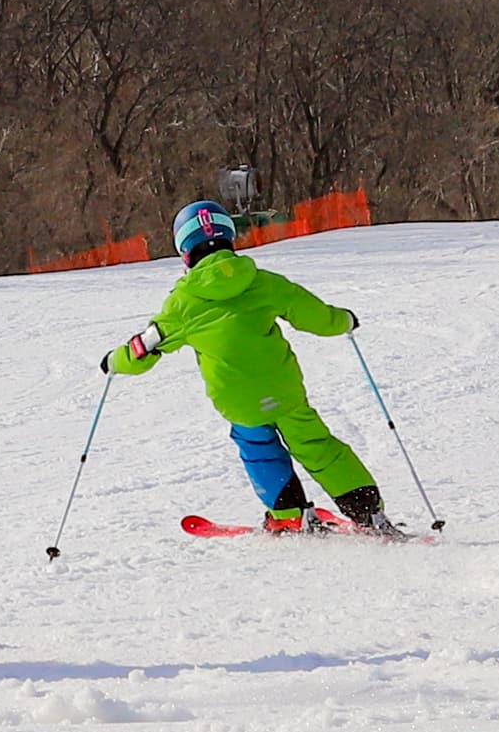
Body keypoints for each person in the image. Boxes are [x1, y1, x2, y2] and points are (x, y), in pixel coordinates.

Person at [103, 199, 387, 532]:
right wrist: (344, 320)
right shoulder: (264, 282)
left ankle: (289, 516)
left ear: (185, 251)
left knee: (259, 449)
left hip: (239, 400)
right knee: (317, 445)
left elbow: (142, 350)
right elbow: (315, 316)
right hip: (283, 390)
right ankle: (368, 512)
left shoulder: (182, 304)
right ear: (229, 237)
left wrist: (114, 361)